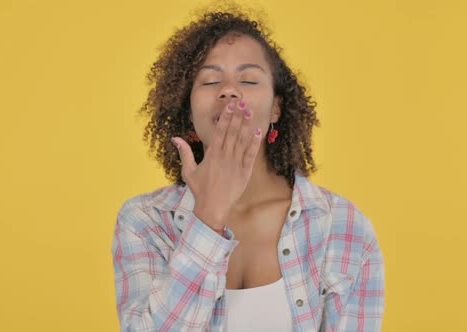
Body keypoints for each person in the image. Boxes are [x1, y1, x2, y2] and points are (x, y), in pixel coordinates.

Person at [112, 4, 385, 331]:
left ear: (275, 109)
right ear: (189, 112)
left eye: (249, 80)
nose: (228, 89)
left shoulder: (343, 226)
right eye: (210, 81)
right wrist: (208, 216)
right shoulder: (146, 220)